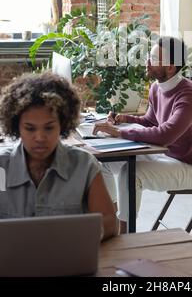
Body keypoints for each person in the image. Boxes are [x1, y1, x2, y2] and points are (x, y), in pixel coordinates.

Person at [93, 36, 192, 233]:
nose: (147, 61)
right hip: (165, 154)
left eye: (155, 58)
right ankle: (112, 222)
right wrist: (123, 119)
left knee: (131, 174)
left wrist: (119, 133)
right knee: (102, 162)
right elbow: (151, 122)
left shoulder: (189, 95)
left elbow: (165, 135)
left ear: (171, 68)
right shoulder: (157, 87)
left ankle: (124, 234)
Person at [0, 71, 118, 241]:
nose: (40, 137)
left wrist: (81, 236)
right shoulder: (2, 168)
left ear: (62, 124)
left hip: (70, 264)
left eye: (48, 128)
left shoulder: (84, 166)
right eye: (30, 128)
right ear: (16, 126)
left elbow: (110, 222)